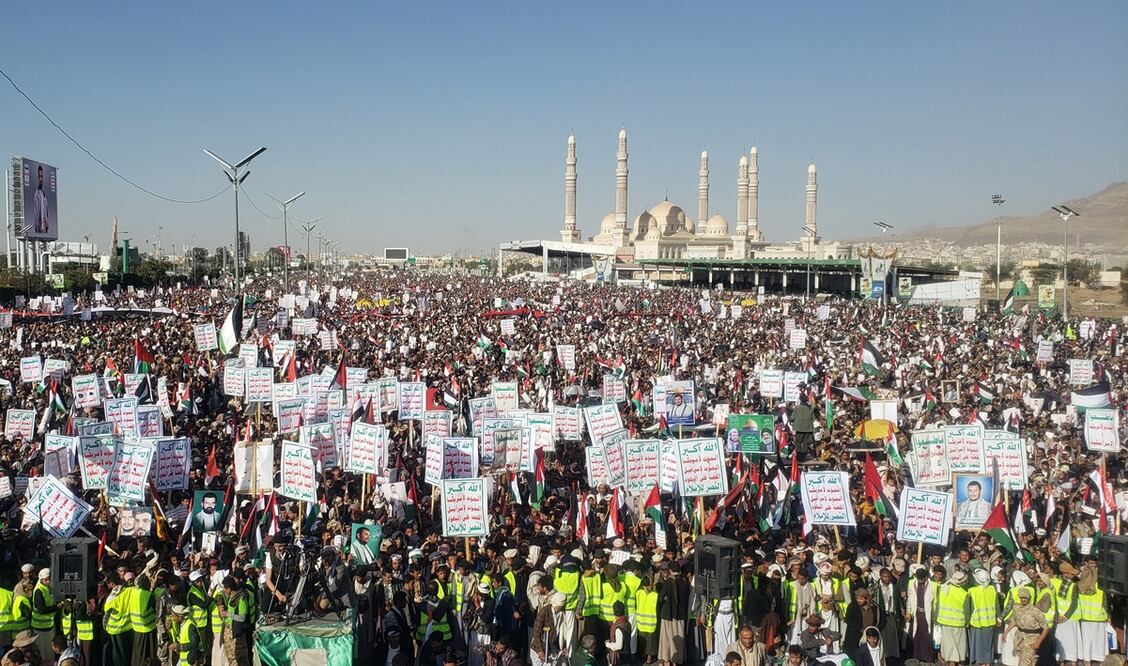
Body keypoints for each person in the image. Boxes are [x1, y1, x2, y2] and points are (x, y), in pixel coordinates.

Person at [1001, 588, 1048, 666]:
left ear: (1029, 598)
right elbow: (1014, 621)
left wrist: (1038, 642)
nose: (1023, 599)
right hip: (1019, 639)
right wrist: (1006, 632)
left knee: (1025, 663)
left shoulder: (1035, 611)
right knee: (1027, 661)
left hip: (1031, 640)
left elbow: (1046, 628)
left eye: (1025, 597)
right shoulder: (1016, 608)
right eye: (1022, 597)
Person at [935, 569, 970, 666]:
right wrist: (967, 622)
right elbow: (966, 611)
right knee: (959, 645)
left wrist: (936, 617)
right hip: (958, 623)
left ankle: (951, 661)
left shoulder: (943, 588)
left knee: (949, 644)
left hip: (944, 621)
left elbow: (937, 605)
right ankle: (955, 662)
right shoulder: (964, 593)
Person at [968, 568, 999, 666]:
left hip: (977, 622)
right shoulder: (992, 589)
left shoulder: (972, 591)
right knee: (988, 644)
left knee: (978, 644)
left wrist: (967, 621)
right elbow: (997, 606)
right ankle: (988, 662)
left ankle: (980, 662)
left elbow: (968, 608)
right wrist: (998, 618)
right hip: (990, 621)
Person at [605, 601, 630, 666]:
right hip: (626, 655)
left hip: (619, 659)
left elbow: (619, 646)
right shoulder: (627, 622)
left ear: (614, 612)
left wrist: (608, 644)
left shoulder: (618, 628)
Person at [33, 164, 50, 235]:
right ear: (37, 177)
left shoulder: (44, 194)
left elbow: (46, 212)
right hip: (38, 229)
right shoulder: (36, 194)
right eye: (39, 177)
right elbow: (36, 215)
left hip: (45, 229)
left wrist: (47, 222)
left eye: (42, 177)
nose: (41, 179)